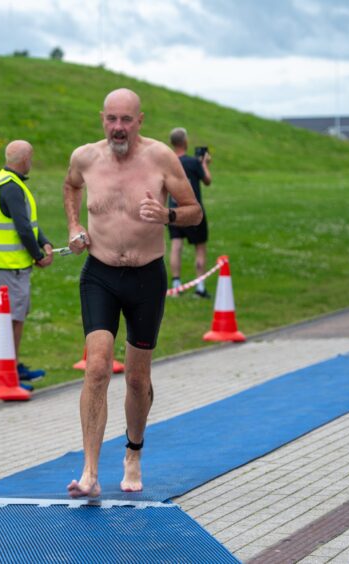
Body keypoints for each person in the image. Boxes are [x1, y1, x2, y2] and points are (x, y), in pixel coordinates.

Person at [62, 88, 202, 497]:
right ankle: (89, 472)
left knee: (138, 380)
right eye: (111, 119)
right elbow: (70, 188)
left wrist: (168, 214)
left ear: (140, 120)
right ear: (102, 119)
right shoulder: (85, 157)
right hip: (100, 273)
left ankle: (134, 452)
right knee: (98, 367)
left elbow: (194, 211)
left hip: (146, 278)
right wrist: (74, 227)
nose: (118, 127)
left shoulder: (161, 157)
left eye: (126, 119)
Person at [0, 140, 53, 388]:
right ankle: (8, 372)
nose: (31, 163)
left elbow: (27, 222)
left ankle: (13, 366)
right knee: (12, 318)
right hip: (8, 264)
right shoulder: (11, 186)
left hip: (10, 264)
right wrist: (38, 255)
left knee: (18, 315)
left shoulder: (8, 181)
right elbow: (22, 227)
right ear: (24, 160)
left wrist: (43, 242)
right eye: (31, 158)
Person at [167, 127, 212, 298]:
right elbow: (207, 181)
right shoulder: (193, 163)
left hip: (173, 211)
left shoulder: (169, 162)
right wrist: (204, 165)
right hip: (193, 212)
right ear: (185, 142)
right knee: (200, 248)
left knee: (176, 247)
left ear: (172, 143)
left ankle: (176, 285)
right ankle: (200, 287)